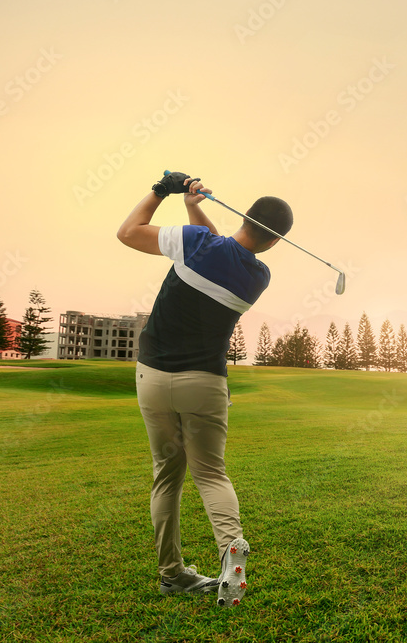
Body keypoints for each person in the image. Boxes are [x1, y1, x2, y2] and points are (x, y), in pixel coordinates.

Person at [117, 170, 293, 607]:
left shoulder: (197, 245)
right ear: (273, 242)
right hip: (205, 383)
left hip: (153, 378)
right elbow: (222, 250)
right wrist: (194, 205)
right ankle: (230, 547)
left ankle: (171, 574)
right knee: (211, 473)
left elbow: (128, 233)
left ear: (246, 216)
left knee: (167, 477)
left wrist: (164, 190)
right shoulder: (259, 276)